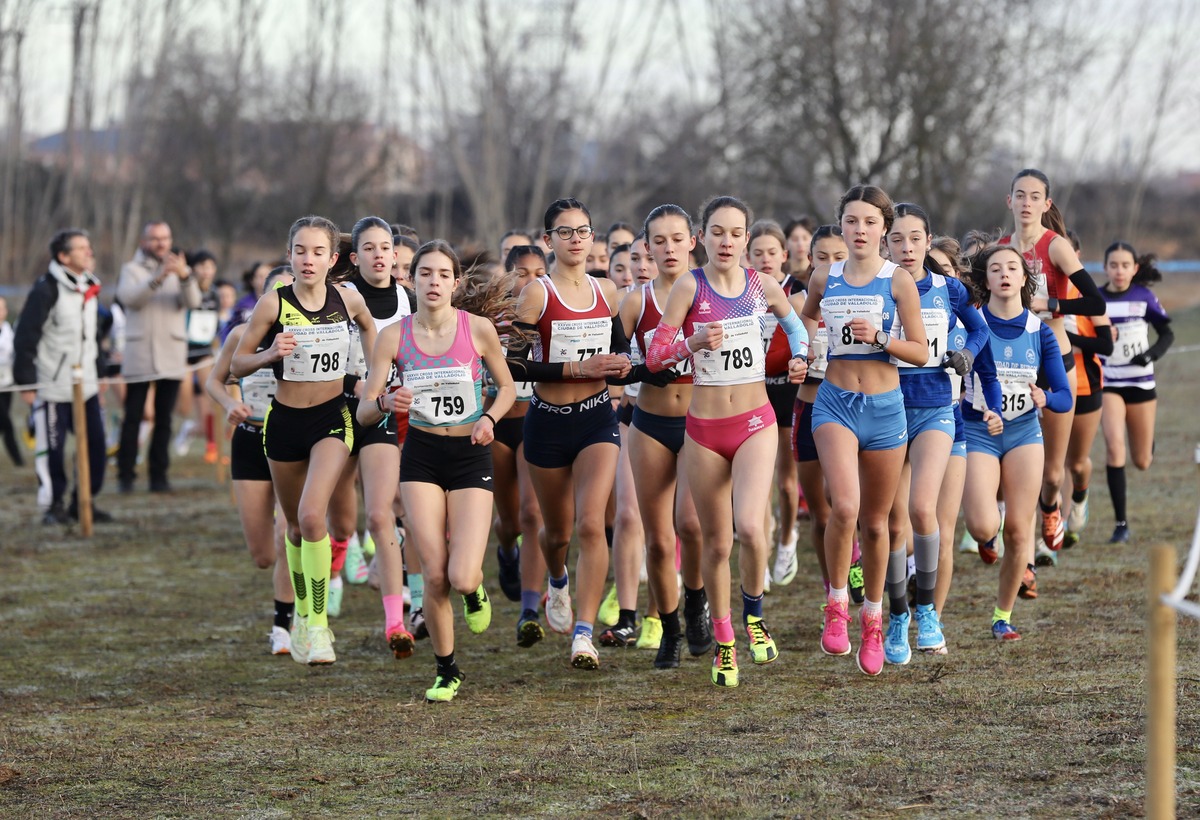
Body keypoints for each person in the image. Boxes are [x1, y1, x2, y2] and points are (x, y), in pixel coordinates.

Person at [646, 195, 810, 688]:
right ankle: (724, 642)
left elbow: (796, 324)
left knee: (751, 529)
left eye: (735, 233)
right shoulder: (688, 288)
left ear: (745, 238)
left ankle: (755, 617)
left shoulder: (762, 285)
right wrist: (690, 344)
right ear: (703, 237)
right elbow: (655, 357)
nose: (727, 241)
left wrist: (799, 356)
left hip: (754, 422)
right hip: (703, 431)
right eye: (717, 232)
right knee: (716, 544)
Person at [357, 239, 516, 703]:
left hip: (470, 453)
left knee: (463, 576)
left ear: (456, 282)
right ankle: (448, 670)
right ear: (412, 279)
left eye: (443, 275)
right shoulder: (394, 337)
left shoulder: (478, 329)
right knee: (434, 574)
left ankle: (476, 591)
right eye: (424, 273)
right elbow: (366, 409)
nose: (433, 282)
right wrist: (386, 401)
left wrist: (489, 418)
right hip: (421, 456)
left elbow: (505, 388)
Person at [232, 215, 377, 666]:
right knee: (294, 528)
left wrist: (374, 380)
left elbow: (372, 329)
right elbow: (237, 364)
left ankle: (318, 627)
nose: (308, 260)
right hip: (283, 423)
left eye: (318, 252)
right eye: (300, 251)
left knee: (314, 517)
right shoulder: (272, 305)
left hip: (332, 419)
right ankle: (300, 618)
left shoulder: (348, 298)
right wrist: (270, 353)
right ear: (289, 255)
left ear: (333, 259)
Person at [799, 185, 928, 678]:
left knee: (877, 523)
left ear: (884, 229)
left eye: (870, 223)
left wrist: (881, 338)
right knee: (844, 507)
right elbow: (803, 321)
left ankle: (872, 618)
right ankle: (836, 604)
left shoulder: (898, 282)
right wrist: (802, 346)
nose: (860, 231)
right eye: (851, 221)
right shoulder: (824, 277)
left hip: (886, 408)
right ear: (841, 225)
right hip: (834, 403)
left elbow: (920, 350)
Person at [506, 198, 633, 670]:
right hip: (547, 420)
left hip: (597, 417)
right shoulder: (537, 293)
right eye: (565, 232)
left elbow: (620, 352)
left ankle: (583, 633)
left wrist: (624, 366)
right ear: (548, 241)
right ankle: (556, 580)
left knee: (591, 523)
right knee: (555, 533)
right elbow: (515, 363)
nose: (576, 240)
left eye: (583, 231)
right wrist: (576, 366)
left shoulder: (607, 291)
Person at [882, 203, 995, 663]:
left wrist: (965, 352)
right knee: (893, 525)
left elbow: (980, 330)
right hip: (887, 409)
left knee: (922, 509)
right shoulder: (877, 286)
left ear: (928, 242)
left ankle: (927, 611)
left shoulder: (948, 288)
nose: (906, 247)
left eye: (914, 238)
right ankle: (895, 617)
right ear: (885, 244)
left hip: (935, 408)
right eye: (897, 239)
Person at [961, 243, 1070, 641]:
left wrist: (1045, 398)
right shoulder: (972, 324)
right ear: (985, 280)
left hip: (1025, 432)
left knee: (1021, 535)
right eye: (996, 269)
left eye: (1013, 268)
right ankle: (988, 535)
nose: (1005, 274)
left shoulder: (1039, 331)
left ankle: (1002, 616)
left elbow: (1064, 395)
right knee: (981, 524)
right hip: (978, 430)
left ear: (1025, 279)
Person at [1000, 170, 1106, 555]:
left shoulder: (1056, 246)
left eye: (1035, 197)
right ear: (1008, 201)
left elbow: (1096, 303)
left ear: (1046, 204)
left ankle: (1051, 505)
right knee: (1018, 469)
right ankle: (1025, 562)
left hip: (1055, 359)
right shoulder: (1000, 250)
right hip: (1013, 364)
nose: (1026, 203)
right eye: (1020, 195)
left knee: (1051, 471)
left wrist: (1051, 304)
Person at [623, 204, 712, 668]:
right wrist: (641, 370)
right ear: (647, 247)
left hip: (700, 422)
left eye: (677, 239)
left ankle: (697, 600)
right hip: (651, 423)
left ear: (693, 240)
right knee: (657, 539)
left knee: (692, 525)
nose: (669, 248)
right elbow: (613, 364)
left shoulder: (711, 292)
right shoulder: (636, 301)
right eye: (659, 241)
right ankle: (670, 629)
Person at [206, 266, 296, 655]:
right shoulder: (242, 336)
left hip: (294, 444)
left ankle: (286, 625)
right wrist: (229, 403)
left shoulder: (310, 338)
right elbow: (215, 380)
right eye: (274, 294)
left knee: (287, 533)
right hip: (249, 441)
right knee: (263, 554)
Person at [335, 217, 414, 655]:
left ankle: (395, 620)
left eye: (386, 247)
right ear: (354, 257)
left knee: (380, 514)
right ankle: (335, 565)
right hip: (338, 410)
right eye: (369, 248)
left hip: (384, 410)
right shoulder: (340, 299)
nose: (379, 254)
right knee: (338, 521)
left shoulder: (410, 300)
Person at [13, 229, 109, 524]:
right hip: (53, 386)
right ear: (64, 256)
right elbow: (25, 336)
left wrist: (101, 374)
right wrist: (27, 382)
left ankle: (83, 502)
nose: (89, 252)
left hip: (88, 385)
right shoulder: (46, 290)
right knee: (52, 450)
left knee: (97, 446)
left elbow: (91, 336)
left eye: (88, 247)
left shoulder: (89, 288)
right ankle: (53, 505)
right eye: (81, 248)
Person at [115, 221, 202, 493]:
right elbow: (130, 299)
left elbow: (194, 303)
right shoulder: (131, 269)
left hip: (171, 354)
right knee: (133, 417)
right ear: (144, 242)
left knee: (165, 419)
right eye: (155, 238)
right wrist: (158, 277)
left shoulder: (181, 270)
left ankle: (159, 476)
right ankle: (125, 475)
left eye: (165, 238)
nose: (161, 243)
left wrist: (185, 276)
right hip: (140, 353)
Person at [492, 245, 549, 645]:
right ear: (509, 278)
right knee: (510, 522)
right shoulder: (487, 320)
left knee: (533, 514)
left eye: (539, 272)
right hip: (495, 426)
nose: (531, 281)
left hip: (534, 423)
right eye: (523, 273)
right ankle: (506, 552)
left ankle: (530, 608)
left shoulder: (552, 316)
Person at [1099, 242, 1173, 544]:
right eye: (1113, 265)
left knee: (1142, 460)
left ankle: (1146, 438)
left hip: (1141, 383)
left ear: (1135, 268)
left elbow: (1167, 332)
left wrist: (1151, 354)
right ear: (1105, 268)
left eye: (1125, 265)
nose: (1119, 271)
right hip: (1109, 383)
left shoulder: (1144, 297)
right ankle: (1121, 524)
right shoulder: (1097, 300)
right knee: (1115, 447)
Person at [748, 219, 803, 591]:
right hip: (755, 390)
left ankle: (788, 539)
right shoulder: (739, 289)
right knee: (761, 485)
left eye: (772, 252)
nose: (765, 259)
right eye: (757, 253)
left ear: (784, 255)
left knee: (786, 484)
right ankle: (763, 556)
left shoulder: (795, 290)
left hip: (787, 392)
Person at [1059, 233, 1112, 550]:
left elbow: (1106, 344)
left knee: (1075, 463)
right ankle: (1053, 530)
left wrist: (1069, 340)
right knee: (1053, 464)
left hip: (1085, 383)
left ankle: (1080, 496)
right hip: (1047, 387)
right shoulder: (1036, 292)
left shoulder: (1085, 294)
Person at [174, 249, 222, 462]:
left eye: (210, 266)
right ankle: (187, 425)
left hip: (203, 352)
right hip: (182, 353)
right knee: (183, 406)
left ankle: (203, 434)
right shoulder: (184, 289)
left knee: (211, 396)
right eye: (202, 266)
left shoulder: (214, 293)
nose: (206, 271)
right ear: (193, 269)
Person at [0, 296, 23, 466]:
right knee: (6, 422)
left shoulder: (10, 330)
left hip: (7, 384)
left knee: (3, 422)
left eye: (3, 308)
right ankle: (18, 460)